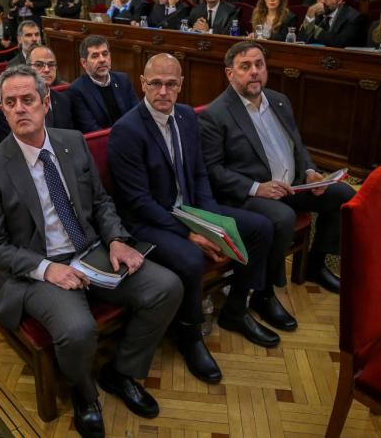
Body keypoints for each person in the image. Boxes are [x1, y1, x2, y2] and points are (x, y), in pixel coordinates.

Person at [0, 64, 183, 438]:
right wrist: (46, 269)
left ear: (45, 103)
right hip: (38, 268)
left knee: (167, 287)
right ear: (1, 109)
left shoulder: (72, 141)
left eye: (28, 99)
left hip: (91, 251)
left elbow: (100, 202)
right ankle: (84, 394)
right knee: (77, 330)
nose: (20, 108)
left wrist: (116, 239)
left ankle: (120, 372)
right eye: (10, 102)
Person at [108, 54, 286, 379]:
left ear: (181, 85)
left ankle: (237, 309)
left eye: (171, 84)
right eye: (156, 84)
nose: (163, 91)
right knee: (191, 258)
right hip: (149, 221)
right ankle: (190, 335)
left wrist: (212, 221)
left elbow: (200, 174)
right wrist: (190, 232)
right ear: (143, 84)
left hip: (189, 210)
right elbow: (138, 201)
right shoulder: (127, 130)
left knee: (261, 227)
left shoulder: (187, 116)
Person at [199, 41, 356, 294]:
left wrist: (309, 171)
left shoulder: (278, 100)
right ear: (230, 73)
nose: (254, 72)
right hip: (250, 195)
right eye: (245, 66)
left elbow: (297, 145)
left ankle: (315, 264)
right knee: (283, 217)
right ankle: (266, 291)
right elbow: (212, 170)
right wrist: (257, 188)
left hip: (291, 186)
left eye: (259, 65)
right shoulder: (216, 115)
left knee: (343, 194)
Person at [0, 44, 74, 141]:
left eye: (51, 65)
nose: (47, 70)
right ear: (27, 68)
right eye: (39, 65)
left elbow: (69, 137)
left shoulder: (63, 100)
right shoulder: (9, 105)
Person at [66, 35, 137, 132]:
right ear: (84, 63)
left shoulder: (123, 79)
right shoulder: (76, 91)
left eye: (105, 54)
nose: (102, 60)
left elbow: (137, 114)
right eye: (95, 56)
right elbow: (91, 129)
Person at [298, 0, 366, 47]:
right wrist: (310, 12)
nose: (323, 1)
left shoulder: (354, 18)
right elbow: (301, 41)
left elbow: (340, 42)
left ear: (340, 0)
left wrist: (312, 28)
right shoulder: (317, 13)